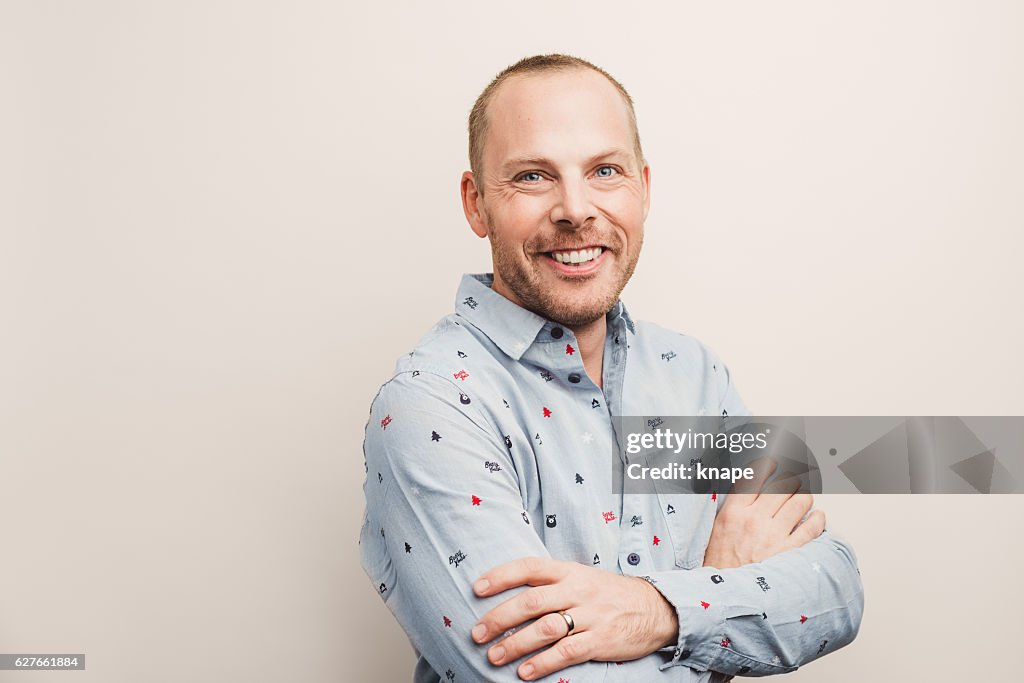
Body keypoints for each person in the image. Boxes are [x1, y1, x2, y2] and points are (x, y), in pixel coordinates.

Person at [360, 54, 864, 682]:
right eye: (533, 176)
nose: (575, 209)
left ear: (643, 189)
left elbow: (835, 591)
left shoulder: (691, 374)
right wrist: (725, 589)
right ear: (476, 204)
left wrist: (659, 611)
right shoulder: (433, 405)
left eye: (604, 170)